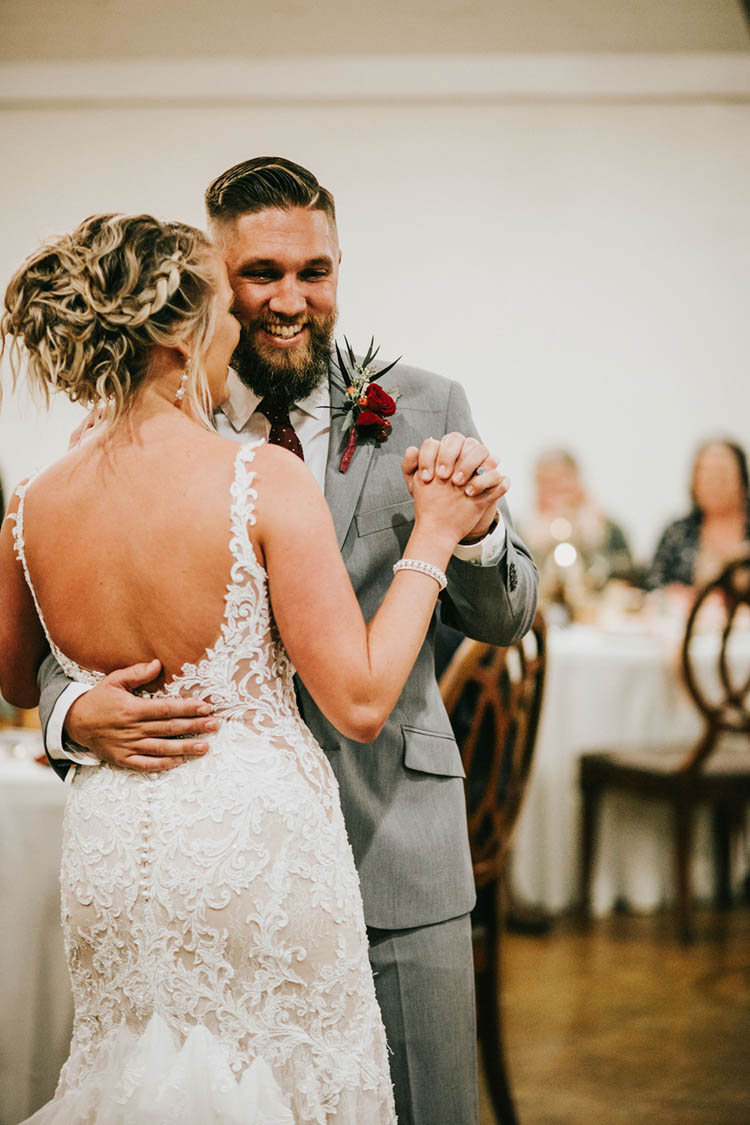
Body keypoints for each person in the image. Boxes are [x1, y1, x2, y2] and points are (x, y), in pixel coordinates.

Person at [33, 158, 538, 1123]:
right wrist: (71, 709)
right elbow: (68, 615)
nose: (291, 301)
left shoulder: (426, 406)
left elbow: (509, 617)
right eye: (261, 274)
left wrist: (470, 531)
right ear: (207, 289)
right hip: (221, 891)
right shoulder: (158, 413)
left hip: (396, 845)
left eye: (317, 271)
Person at [523, 447, 633, 603]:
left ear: (576, 480)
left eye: (561, 480)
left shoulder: (608, 529)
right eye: (546, 482)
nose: (555, 489)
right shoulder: (520, 533)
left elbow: (625, 574)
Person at [647, 438, 750, 591]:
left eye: (721, 475)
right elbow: (652, 584)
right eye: (705, 475)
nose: (713, 484)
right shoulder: (678, 532)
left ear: (741, 479)